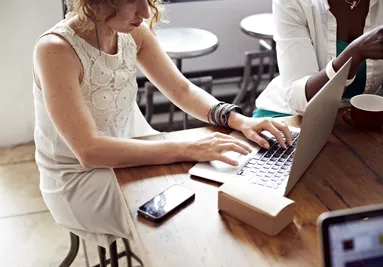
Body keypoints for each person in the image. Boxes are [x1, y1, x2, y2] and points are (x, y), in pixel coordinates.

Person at [32, 0, 292, 248]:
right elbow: (89, 152)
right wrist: (187, 148)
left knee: (207, 194)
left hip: (134, 150)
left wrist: (240, 120)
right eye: (132, 1)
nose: (145, 13)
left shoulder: (133, 32)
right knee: (184, 224)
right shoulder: (55, 50)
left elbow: (184, 91)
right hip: (79, 178)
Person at [254, 0, 383, 118]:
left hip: (356, 120)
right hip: (289, 117)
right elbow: (299, 99)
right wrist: (355, 53)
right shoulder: (294, 3)